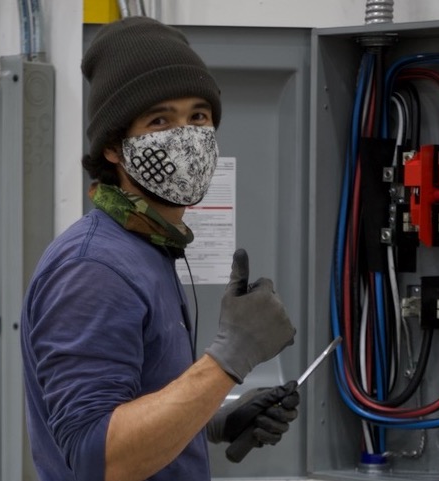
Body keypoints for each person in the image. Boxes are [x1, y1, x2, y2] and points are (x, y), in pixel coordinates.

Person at [20, 16, 298, 481]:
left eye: (198, 116)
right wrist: (227, 361)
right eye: (159, 120)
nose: (186, 137)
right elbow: (99, 456)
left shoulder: (148, 248)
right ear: (113, 146)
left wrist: (217, 421)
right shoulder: (94, 268)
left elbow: (133, 402)